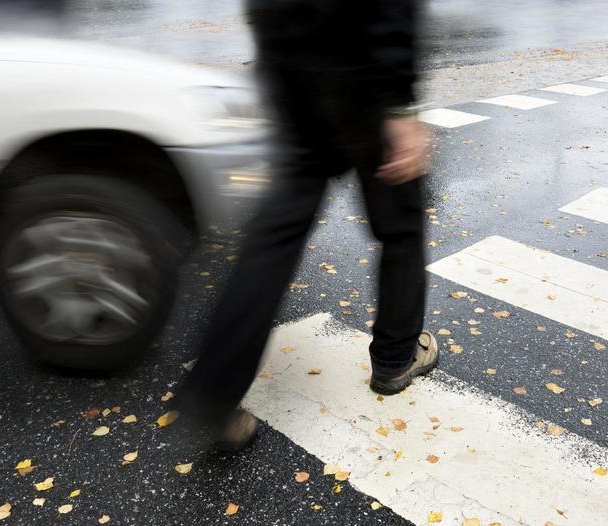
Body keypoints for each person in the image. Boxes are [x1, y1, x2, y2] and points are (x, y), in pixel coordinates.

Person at [173, 0, 436, 451]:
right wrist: (399, 105)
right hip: (360, 65)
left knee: (275, 237)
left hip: (290, 61)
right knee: (401, 224)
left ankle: (214, 392)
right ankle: (395, 358)